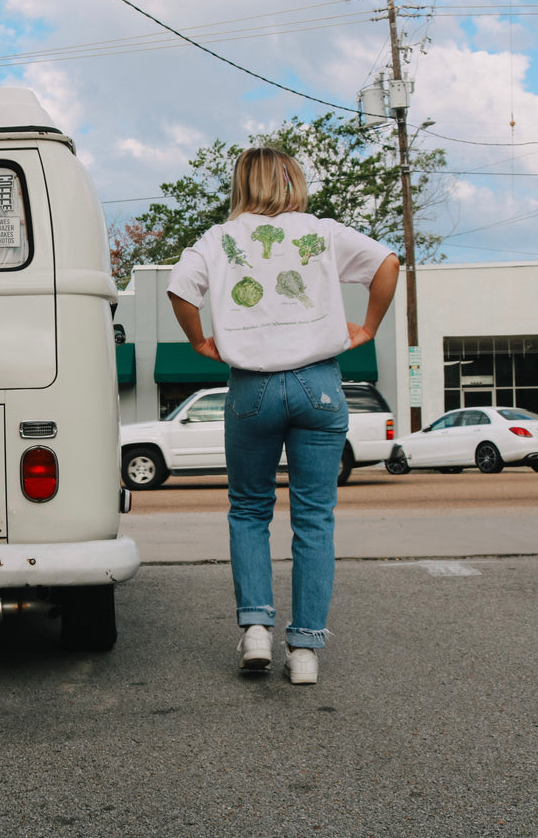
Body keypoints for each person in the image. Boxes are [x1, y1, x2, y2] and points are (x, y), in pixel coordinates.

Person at [167, 147, 399, 685]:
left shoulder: (220, 239)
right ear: (293, 179)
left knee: (250, 511)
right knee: (314, 518)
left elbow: (180, 289)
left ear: (241, 185)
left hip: (251, 388)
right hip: (319, 383)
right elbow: (388, 264)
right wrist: (366, 329)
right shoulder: (321, 231)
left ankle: (255, 631)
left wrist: (201, 340)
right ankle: (306, 651)